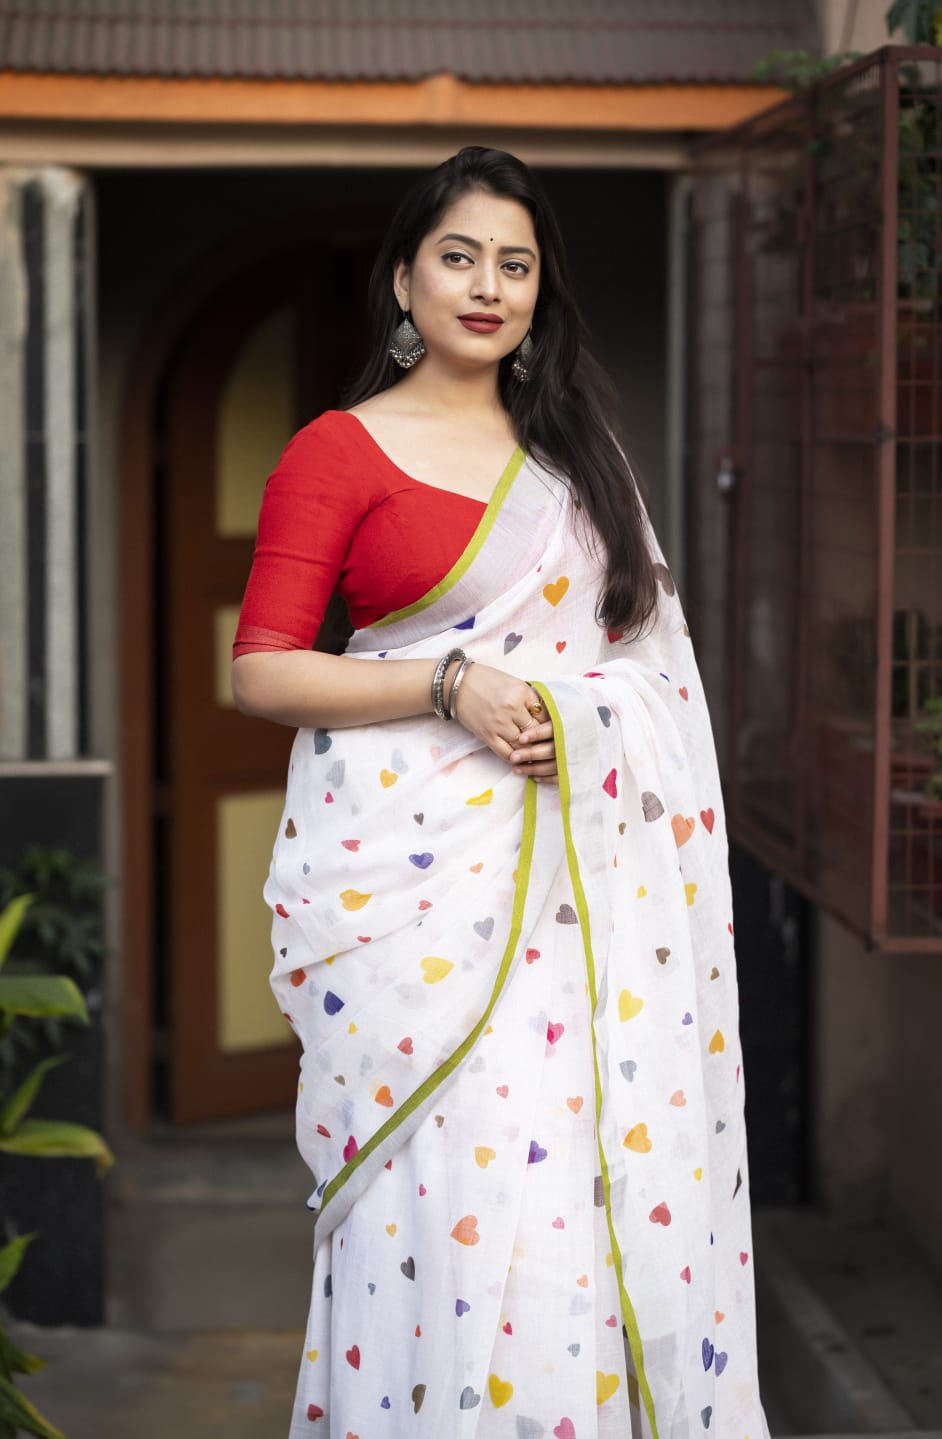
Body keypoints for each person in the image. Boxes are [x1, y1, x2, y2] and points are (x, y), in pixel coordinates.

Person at [232, 146, 770, 1439]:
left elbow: (647, 672)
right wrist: (446, 686)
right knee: (457, 1229)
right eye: (458, 257)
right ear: (404, 281)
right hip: (425, 927)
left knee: (582, 1222)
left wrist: (576, 715)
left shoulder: (580, 454)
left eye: (513, 264)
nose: (486, 286)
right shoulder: (337, 449)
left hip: (598, 937)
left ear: (539, 293)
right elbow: (262, 671)